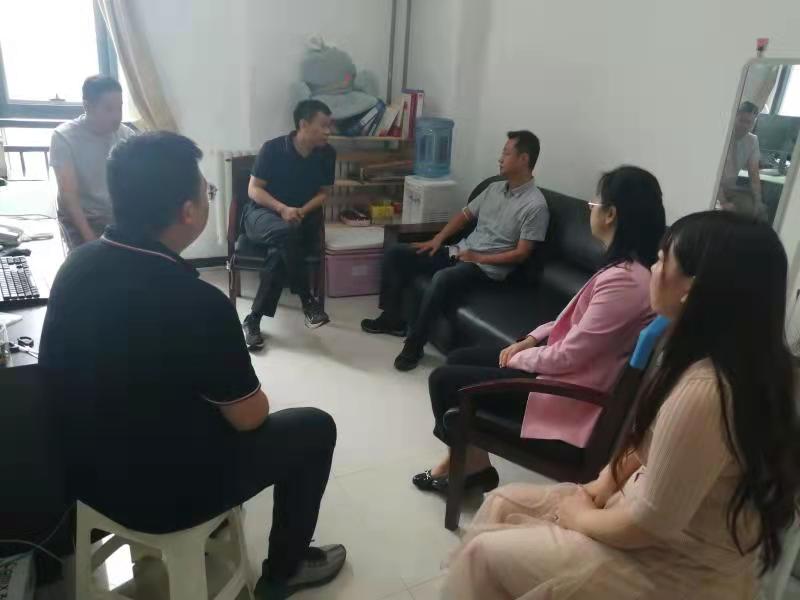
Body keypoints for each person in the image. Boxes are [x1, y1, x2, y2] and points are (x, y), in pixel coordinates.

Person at [39, 132, 346, 599]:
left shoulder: (74, 267)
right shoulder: (198, 301)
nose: (208, 199)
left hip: (84, 478)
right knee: (315, 428)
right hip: (166, 496)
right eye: (208, 192)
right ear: (188, 211)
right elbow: (251, 417)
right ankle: (284, 572)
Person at [443, 211, 800, 600]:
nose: (654, 268)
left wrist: (582, 517)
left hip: (669, 569)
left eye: (663, 260)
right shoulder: (713, 359)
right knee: (501, 503)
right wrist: (604, 483)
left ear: (692, 289)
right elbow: (646, 446)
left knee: (482, 554)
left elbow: (650, 525)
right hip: (636, 517)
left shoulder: (706, 391)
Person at [413, 166, 666, 494]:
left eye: (594, 204)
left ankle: (466, 464)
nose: (590, 210)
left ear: (611, 215)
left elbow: (569, 356)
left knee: (443, 380)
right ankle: (472, 463)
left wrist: (518, 358)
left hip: (564, 391)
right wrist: (531, 339)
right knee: (459, 358)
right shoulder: (625, 271)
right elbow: (570, 320)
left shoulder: (625, 283)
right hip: (561, 374)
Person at [362, 130, 550, 371]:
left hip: (487, 269)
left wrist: (478, 257)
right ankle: (392, 319)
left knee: (442, 278)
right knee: (397, 254)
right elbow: (464, 216)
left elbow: (522, 253)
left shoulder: (535, 205)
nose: (500, 158)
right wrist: (437, 239)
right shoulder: (494, 188)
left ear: (524, 159)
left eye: (506, 153)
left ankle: (414, 346)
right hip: (460, 252)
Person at [241, 100, 335, 350]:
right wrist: (282, 209)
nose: (328, 132)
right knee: (285, 232)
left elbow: (324, 193)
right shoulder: (273, 149)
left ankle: (253, 320)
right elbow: (253, 189)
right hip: (262, 214)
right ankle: (307, 301)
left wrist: (300, 211)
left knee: (280, 249)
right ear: (303, 124)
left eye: (330, 126)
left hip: (299, 219)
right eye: (323, 126)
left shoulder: (327, 153)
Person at [49, 75, 135, 250]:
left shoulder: (127, 136)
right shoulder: (64, 137)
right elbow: (69, 195)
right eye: (109, 109)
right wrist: (89, 239)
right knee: (89, 262)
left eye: (119, 108)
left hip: (116, 217)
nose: (117, 116)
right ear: (87, 106)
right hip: (81, 218)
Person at [718, 101, 765, 219]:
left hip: (729, 188)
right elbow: (711, 175)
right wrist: (723, 202)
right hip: (714, 187)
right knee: (731, 213)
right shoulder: (722, 135)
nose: (745, 126)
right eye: (742, 120)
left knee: (755, 210)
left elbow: (754, 173)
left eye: (749, 122)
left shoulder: (752, 141)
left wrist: (758, 202)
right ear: (735, 117)